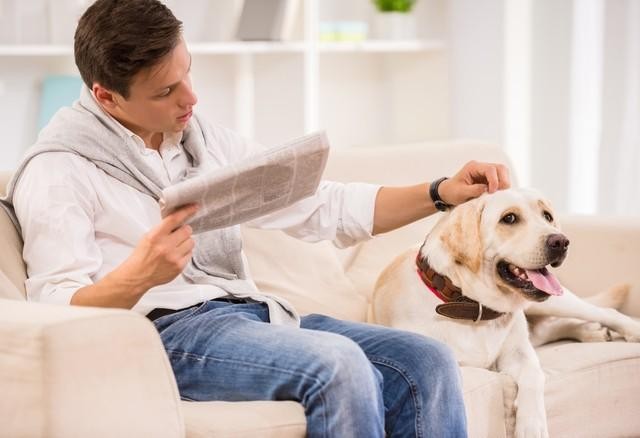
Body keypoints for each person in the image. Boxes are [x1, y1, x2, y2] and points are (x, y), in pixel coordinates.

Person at [4, 1, 510, 436]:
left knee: (427, 361)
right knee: (337, 365)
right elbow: (56, 304)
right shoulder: (58, 171)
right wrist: (141, 275)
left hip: (253, 313)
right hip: (165, 334)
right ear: (105, 96)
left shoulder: (204, 141)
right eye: (165, 92)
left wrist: (440, 192)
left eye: (188, 73)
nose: (191, 98)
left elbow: (323, 206)